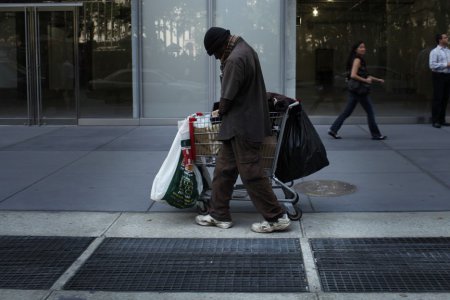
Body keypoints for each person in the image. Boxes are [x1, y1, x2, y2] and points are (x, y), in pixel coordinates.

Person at [194, 27, 290, 233]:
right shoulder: (245, 49)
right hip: (239, 124)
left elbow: (227, 98)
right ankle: (219, 214)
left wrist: (218, 112)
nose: (216, 57)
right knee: (224, 170)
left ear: (220, 46)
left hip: (242, 125)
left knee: (251, 173)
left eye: (215, 53)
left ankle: (276, 217)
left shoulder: (235, 59)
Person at [328, 41, 387, 140]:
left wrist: (378, 80)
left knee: (347, 112)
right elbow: (353, 75)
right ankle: (376, 134)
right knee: (370, 112)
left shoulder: (360, 60)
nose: (363, 49)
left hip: (355, 91)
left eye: (364, 47)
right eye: (361, 47)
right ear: (356, 49)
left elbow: (365, 75)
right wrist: (366, 81)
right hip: (360, 90)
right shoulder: (357, 60)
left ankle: (333, 129)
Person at [429, 33, 450, 128]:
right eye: (445, 37)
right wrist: (446, 65)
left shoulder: (448, 51)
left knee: (445, 98)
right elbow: (432, 65)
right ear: (440, 40)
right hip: (438, 76)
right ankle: (435, 120)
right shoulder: (435, 52)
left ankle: (442, 120)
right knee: (438, 98)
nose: (447, 38)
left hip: (448, 75)